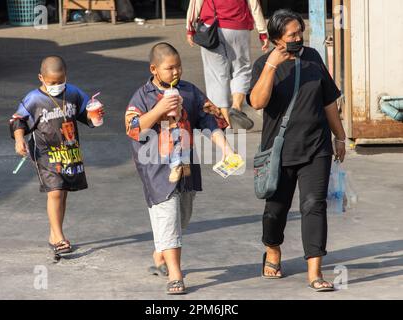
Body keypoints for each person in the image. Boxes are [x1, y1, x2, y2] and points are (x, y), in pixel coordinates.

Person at [247, 10, 347, 292]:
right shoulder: (262, 64)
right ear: (277, 38)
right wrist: (270, 66)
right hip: (278, 152)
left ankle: (314, 270)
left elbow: (328, 101)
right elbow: (256, 102)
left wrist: (339, 137)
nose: (298, 38)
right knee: (275, 209)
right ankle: (273, 249)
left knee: (314, 204)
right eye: (292, 35)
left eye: (300, 32)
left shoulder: (313, 58)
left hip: (316, 146)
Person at [124, 42, 234, 295]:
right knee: (168, 214)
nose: (176, 72)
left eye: (179, 66)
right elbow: (133, 128)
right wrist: (159, 110)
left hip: (185, 166)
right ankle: (175, 275)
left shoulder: (190, 92)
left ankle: (161, 251)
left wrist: (226, 149)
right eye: (169, 68)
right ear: (154, 69)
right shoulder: (143, 96)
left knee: (181, 217)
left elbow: (210, 120)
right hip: (156, 168)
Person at [9, 56, 104, 255]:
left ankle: (54, 235)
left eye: (61, 81)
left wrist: (95, 115)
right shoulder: (33, 99)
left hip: (68, 151)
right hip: (45, 152)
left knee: (63, 192)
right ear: (41, 78)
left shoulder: (72, 92)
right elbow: (18, 121)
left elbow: (85, 112)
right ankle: (59, 236)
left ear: (66, 76)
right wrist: (19, 140)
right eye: (52, 83)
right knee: (55, 192)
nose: (57, 86)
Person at [186, 0, 270, 129]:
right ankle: (236, 107)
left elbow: (195, 3)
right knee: (241, 70)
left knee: (217, 75)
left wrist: (190, 28)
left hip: (212, 27)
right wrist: (262, 31)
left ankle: (225, 122)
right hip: (239, 28)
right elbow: (254, 4)